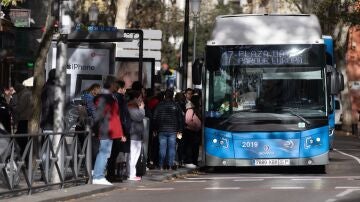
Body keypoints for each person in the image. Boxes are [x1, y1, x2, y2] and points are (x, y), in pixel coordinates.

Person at [92, 76, 126, 186]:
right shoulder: (106, 98)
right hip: (106, 129)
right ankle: (98, 176)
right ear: (111, 85)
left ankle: (99, 175)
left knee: (105, 153)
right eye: (115, 84)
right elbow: (100, 115)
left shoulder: (108, 97)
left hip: (108, 129)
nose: (117, 86)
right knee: (104, 153)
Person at [153, 89, 183, 170]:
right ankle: (169, 165)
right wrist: (180, 130)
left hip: (161, 130)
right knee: (172, 148)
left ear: (164, 96)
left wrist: (155, 129)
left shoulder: (160, 105)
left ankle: (161, 165)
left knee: (162, 148)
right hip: (173, 130)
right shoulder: (176, 105)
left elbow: (155, 117)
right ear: (172, 95)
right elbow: (180, 119)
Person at [106, 80, 131, 182]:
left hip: (111, 129)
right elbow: (123, 116)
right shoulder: (120, 99)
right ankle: (111, 175)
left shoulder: (112, 97)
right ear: (120, 88)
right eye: (124, 88)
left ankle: (111, 174)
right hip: (118, 130)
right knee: (114, 153)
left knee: (111, 153)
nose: (125, 91)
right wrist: (124, 131)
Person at [126, 90, 145, 181]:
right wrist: (142, 108)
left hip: (136, 134)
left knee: (135, 155)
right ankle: (131, 174)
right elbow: (139, 117)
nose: (142, 100)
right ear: (136, 98)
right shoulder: (131, 106)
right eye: (140, 98)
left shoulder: (132, 106)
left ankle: (132, 173)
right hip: (133, 134)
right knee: (133, 155)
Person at [13, 82, 33, 154]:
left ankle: (22, 154)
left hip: (24, 118)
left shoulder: (24, 95)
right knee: (22, 136)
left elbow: (20, 108)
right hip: (26, 118)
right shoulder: (27, 93)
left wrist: (12, 108)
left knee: (21, 137)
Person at [183, 94, 202, 168]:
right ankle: (189, 161)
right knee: (190, 146)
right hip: (190, 131)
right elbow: (187, 120)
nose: (200, 102)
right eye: (199, 100)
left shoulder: (197, 110)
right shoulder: (190, 110)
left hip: (196, 132)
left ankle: (194, 161)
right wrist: (195, 126)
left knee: (195, 147)